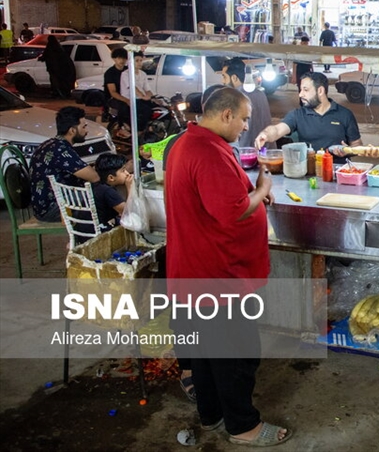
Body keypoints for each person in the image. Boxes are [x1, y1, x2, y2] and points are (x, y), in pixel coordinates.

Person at [164, 87, 292, 446]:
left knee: (206, 354)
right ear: (226, 115)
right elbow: (232, 211)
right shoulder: (206, 152)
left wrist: (250, 192)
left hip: (197, 271)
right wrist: (263, 184)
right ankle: (243, 427)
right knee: (236, 355)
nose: (246, 126)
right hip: (218, 276)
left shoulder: (188, 142)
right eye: (244, 118)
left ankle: (212, 415)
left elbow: (223, 198)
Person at [254, 71, 362, 159]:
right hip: (307, 173)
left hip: (337, 173)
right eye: (301, 90)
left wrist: (348, 151)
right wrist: (265, 134)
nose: (301, 94)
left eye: (305, 90)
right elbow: (277, 130)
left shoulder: (344, 114)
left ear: (320, 91)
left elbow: (357, 145)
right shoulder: (297, 115)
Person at [29, 106, 100, 222]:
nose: (86, 131)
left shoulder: (49, 144)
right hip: (52, 209)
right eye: (84, 126)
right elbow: (94, 177)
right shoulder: (61, 150)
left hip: (43, 205)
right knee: (102, 193)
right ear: (72, 130)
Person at [220, 57, 272, 148]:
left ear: (234, 78)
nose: (223, 81)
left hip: (245, 154)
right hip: (265, 152)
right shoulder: (261, 94)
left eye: (224, 77)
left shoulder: (235, 98)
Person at [91, 153, 133, 231]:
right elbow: (127, 212)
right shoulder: (107, 191)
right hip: (99, 228)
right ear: (111, 178)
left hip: (87, 225)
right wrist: (129, 187)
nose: (127, 173)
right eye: (123, 171)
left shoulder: (98, 184)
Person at [120, 53, 154, 131]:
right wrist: (143, 96)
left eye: (141, 60)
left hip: (141, 99)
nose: (139, 63)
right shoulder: (125, 74)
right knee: (146, 110)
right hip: (130, 99)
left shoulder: (143, 74)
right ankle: (139, 131)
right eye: (137, 61)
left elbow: (147, 89)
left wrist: (151, 96)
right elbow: (132, 88)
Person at [104, 47, 131, 138]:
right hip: (115, 98)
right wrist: (126, 100)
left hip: (128, 96)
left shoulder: (129, 70)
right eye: (119, 58)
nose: (122, 60)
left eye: (124, 58)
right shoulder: (110, 73)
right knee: (123, 107)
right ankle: (121, 127)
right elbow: (113, 92)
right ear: (114, 58)